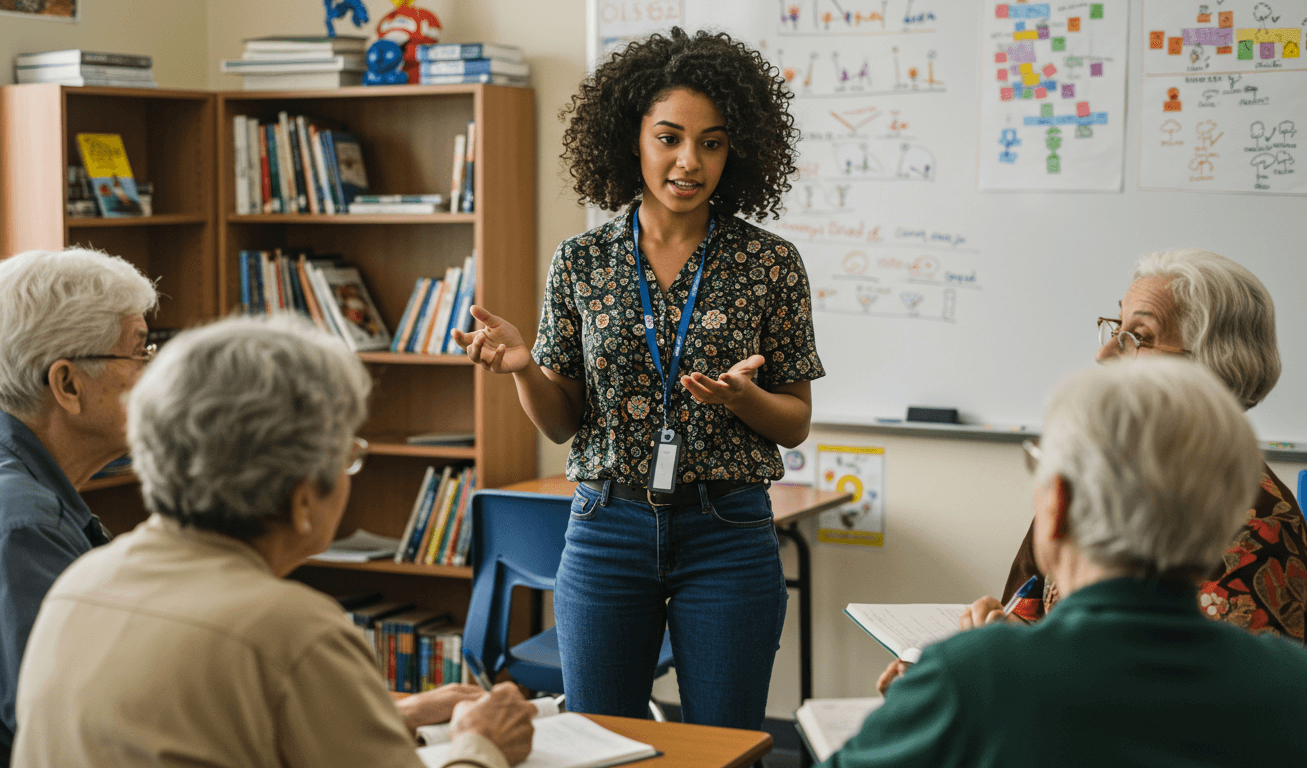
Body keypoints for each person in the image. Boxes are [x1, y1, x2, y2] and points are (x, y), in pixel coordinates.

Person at [450, 28, 823, 729]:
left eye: (712, 142)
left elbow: (795, 420)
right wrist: (524, 368)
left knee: (724, 744)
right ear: (631, 139)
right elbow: (564, 422)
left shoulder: (771, 263)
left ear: (735, 149)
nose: (690, 161)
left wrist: (746, 400)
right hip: (606, 525)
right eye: (670, 138)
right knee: (599, 742)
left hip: (728, 526)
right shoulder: (580, 260)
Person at [12, 316, 536, 768]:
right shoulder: (294, 631)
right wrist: (480, 745)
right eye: (346, 455)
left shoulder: (78, 583)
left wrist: (394, 716)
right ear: (303, 497)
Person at [829, 358, 1307, 767]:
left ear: (1056, 507)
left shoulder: (971, 679)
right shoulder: (1291, 683)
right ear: (1224, 525)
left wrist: (923, 712)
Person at [0, 248, 157, 768]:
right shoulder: (16, 523)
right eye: (139, 351)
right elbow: (82, 738)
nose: (155, 371)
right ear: (66, 384)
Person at [965, 249, 1305, 643]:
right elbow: (1027, 613)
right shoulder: (1088, 471)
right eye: (1115, 329)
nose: (1104, 354)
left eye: (1138, 338)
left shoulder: (1258, 530)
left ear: (1210, 370)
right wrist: (993, 644)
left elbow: (1196, 691)